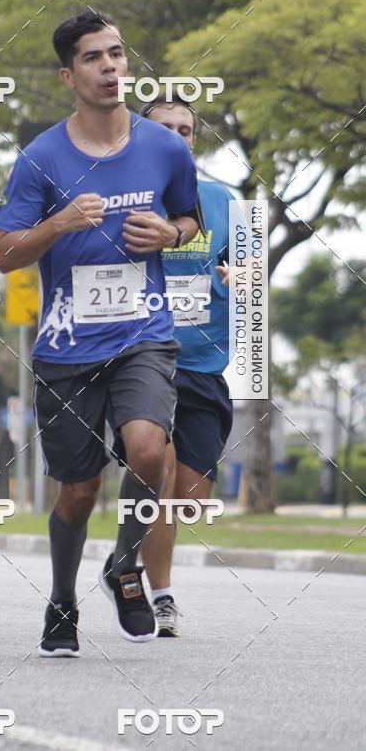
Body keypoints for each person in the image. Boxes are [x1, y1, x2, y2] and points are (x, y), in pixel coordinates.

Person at [0, 10, 201, 656]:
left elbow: (188, 218)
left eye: (116, 54)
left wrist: (170, 235)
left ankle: (122, 565)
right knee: (78, 491)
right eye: (94, 57)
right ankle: (61, 600)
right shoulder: (41, 158)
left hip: (144, 334)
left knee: (147, 451)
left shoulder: (165, 147)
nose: (111, 66)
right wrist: (57, 225)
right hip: (67, 348)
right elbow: (4, 254)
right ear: (68, 73)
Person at [138, 98, 235, 636]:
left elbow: (250, 278)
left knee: (194, 502)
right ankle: (163, 597)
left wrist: (239, 281)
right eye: (166, 129)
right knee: (161, 472)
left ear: (194, 140)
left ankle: (123, 559)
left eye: (186, 129)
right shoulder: (127, 200)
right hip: (143, 359)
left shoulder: (226, 202)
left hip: (203, 363)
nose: (178, 136)